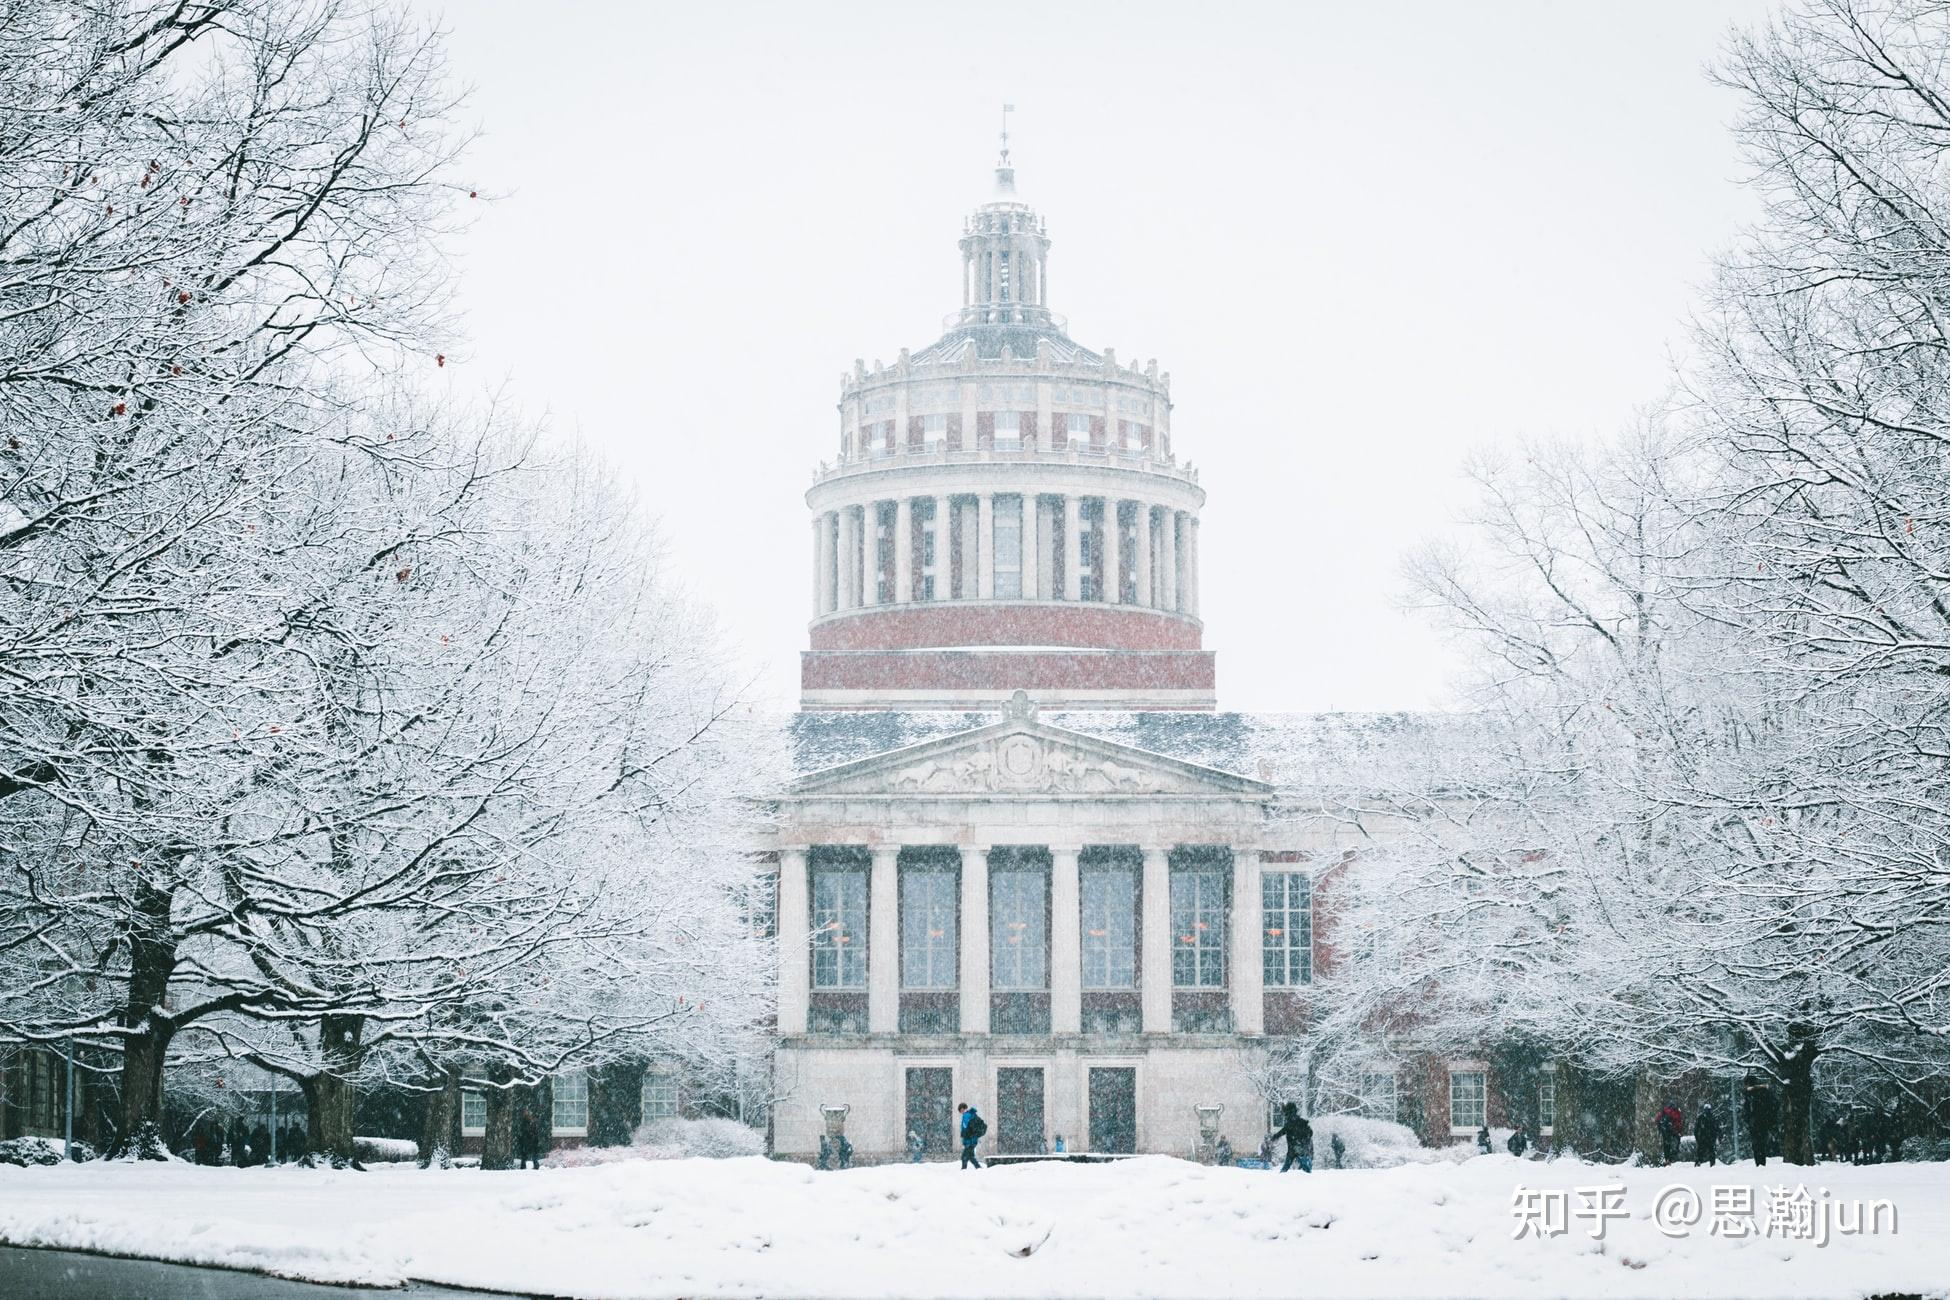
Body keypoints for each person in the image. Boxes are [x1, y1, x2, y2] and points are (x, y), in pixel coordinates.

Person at [1740, 1074, 1777, 1167]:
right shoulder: (1765, 1092)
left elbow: (1746, 1110)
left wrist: (1747, 1120)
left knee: (1756, 1145)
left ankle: (1759, 1164)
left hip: (1755, 1123)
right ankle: (1762, 1163)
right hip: (1764, 1122)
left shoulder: (1750, 1095)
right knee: (1762, 1144)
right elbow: (1774, 1105)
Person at [1271, 1102, 1312, 1173]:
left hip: (1292, 1147)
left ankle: (1281, 1177)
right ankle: (1309, 1176)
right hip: (1300, 1146)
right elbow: (1310, 1133)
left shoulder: (1289, 1122)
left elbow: (1282, 1132)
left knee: (1286, 1166)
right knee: (1304, 1165)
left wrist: (1274, 1137)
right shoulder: (1301, 1122)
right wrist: (1304, 1140)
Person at [957, 1102, 985, 1170]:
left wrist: (965, 1137)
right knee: (971, 1157)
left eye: (961, 1110)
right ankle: (979, 1168)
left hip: (969, 1140)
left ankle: (963, 1170)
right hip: (973, 1139)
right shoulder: (972, 1114)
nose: (961, 1112)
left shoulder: (966, 1115)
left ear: (963, 1108)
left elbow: (966, 1128)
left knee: (964, 1157)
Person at [514, 1105, 542, 1170]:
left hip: (530, 1140)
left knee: (530, 1155)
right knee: (526, 1155)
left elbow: (533, 1131)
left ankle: (532, 1166)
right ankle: (525, 1166)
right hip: (527, 1140)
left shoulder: (530, 1122)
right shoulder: (526, 1121)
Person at [1694, 1102, 1720, 1167]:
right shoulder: (1711, 1117)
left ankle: (1699, 1163)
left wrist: (1697, 1137)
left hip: (1705, 1138)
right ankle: (1710, 1164)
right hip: (1707, 1138)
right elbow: (1717, 1128)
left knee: (1703, 1151)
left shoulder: (1704, 1117)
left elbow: (1696, 1129)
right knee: (1708, 1151)